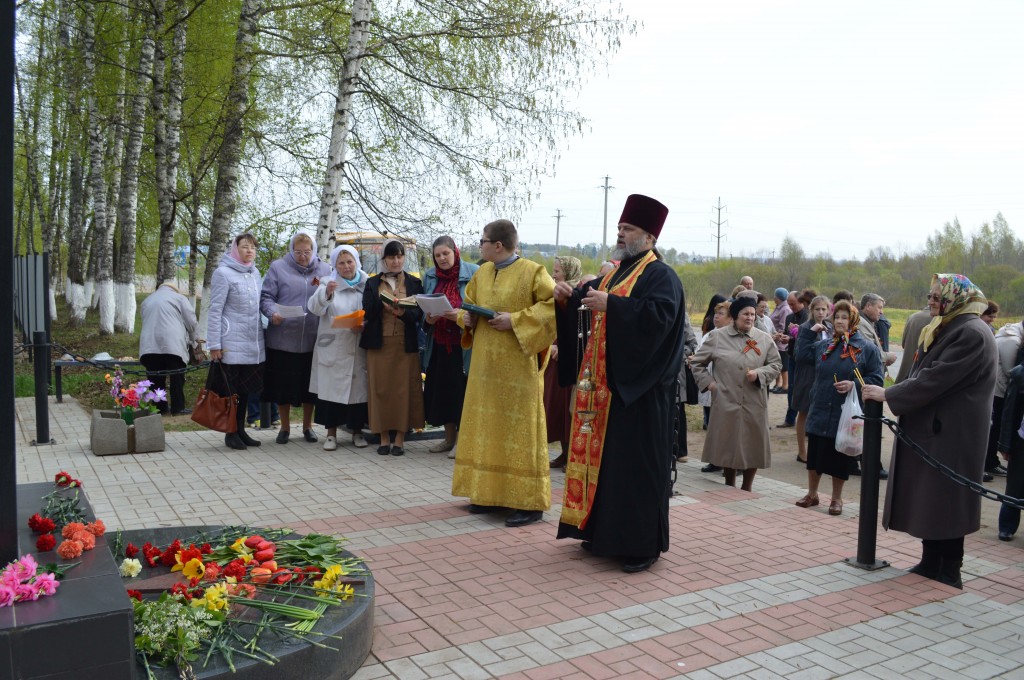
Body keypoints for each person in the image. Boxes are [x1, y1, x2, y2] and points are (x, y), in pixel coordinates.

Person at [553, 194, 685, 573]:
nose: (621, 235)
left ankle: (641, 546)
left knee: (638, 471)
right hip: (606, 393)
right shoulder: (616, 273)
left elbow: (659, 319)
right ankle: (602, 533)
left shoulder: (661, 275)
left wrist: (613, 306)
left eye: (628, 229)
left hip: (639, 394)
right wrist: (568, 299)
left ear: (650, 237)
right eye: (620, 229)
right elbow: (589, 300)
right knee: (608, 469)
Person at [863, 273, 997, 589]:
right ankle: (931, 561)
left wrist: (889, 394)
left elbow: (936, 378)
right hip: (937, 429)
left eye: (938, 297)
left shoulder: (971, 333)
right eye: (931, 295)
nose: (931, 301)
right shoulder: (949, 327)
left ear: (957, 299)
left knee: (948, 500)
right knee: (932, 499)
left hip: (953, 434)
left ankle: (950, 569)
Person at [453, 219, 556, 528]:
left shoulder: (534, 272)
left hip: (518, 370)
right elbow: (466, 306)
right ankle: (487, 493)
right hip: (484, 367)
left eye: (482, 241)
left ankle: (530, 503)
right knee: (486, 427)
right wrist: (466, 319)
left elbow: (553, 307)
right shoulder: (482, 272)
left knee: (520, 433)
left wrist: (515, 320)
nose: (479, 245)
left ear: (498, 245)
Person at [795, 301, 883, 516]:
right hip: (821, 406)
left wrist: (854, 384)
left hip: (845, 413)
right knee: (815, 455)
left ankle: (836, 499)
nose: (840, 321)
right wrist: (809, 332)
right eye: (837, 317)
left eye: (845, 317)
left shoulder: (866, 348)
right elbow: (801, 356)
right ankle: (812, 494)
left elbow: (877, 378)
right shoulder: (825, 346)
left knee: (839, 457)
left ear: (852, 321)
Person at [691, 296, 782, 493]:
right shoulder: (717, 337)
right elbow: (697, 363)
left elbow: (776, 365)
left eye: (752, 314)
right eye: (745, 314)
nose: (750, 318)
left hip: (754, 400)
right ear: (735, 316)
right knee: (728, 443)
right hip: (726, 400)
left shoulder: (764, 338)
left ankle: (747, 487)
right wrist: (710, 384)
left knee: (753, 444)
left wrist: (759, 374)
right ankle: (729, 485)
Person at [260, 232, 331, 444]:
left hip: (313, 338)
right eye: (298, 252)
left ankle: (308, 427)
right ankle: (284, 427)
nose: (302, 256)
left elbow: (332, 298)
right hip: (283, 338)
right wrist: (272, 313)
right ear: (292, 250)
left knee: (309, 387)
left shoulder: (325, 270)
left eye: (307, 252)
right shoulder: (278, 268)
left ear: (314, 251)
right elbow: (266, 297)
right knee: (283, 387)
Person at [360, 239, 425, 456]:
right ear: (384, 259)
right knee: (380, 390)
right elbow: (367, 311)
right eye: (391, 257)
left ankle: (400, 438)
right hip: (379, 344)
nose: (396, 261)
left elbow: (419, 314)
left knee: (403, 390)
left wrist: (403, 312)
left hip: (405, 345)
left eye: (399, 256)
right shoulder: (372, 283)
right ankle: (383, 437)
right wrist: (385, 302)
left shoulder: (415, 283)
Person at [307, 245, 370, 451]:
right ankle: (331, 434)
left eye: (349, 261)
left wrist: (364, 324)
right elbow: (314, 308)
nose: (346, 266)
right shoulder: (328, 282)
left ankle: (357, 432)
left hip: (357, 344)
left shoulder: (367, 282)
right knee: (332, 392)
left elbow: (373, 311)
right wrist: (326, 293)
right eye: (341, 263)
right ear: (335, 265)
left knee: (358, 393)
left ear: (356, 262)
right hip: (334, 346)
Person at [207, 233, 266, 450]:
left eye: (252, 247)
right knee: (230, 390)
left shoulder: (254, 273)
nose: (249, 251)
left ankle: (241, 429)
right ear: (235, 249)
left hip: (253, 342)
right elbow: (215, 310)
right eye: (244, 247)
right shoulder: (223, 273)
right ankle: (230, 432)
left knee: (245, 390)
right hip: (230, 342)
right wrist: (214, 344)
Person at [422, 235, 479, 455]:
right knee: (442, 393)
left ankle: (462, 443)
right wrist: (428, 319)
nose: (442, 259)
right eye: (437, 255)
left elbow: (479, 306)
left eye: (445, 253)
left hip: (463, 345)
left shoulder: (473, 272)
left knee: (461, 393)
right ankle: (448, 439)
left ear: (455, 252)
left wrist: (460, 314)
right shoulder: (430, 276)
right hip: (438, 343)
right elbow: (422, 308)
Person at [544, 256, 583, 469]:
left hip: (569, 361)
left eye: (558, 270)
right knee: (557, 410)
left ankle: (573, 456)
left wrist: (563, 346)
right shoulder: (556, 292)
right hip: (553, 358)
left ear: (569, 272)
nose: (554, 274)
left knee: (571, 410)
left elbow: (576, 328)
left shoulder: (578, 295)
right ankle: (564, 452)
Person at [139, 281, 200, 416]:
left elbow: (144, 319)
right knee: (177, 377)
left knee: (155, 378)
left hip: (150, 345)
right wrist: (195, 339)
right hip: (173, 344)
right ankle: (178, 408)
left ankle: (159, 408)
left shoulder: (147, 300)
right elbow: (191, 321)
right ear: (174, 290)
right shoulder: (179, 298)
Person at [791, 295, 831, 464]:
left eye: (824, 309)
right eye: (818, 309)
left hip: (824, 376)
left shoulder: (830, 327)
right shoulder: (805, 327)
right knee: (804, 412)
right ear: (811, 310)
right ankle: (802, 451)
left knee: (821, 413)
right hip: (807, 376)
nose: (821, 313)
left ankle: (820, 450)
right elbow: (798, 355)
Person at [985, 321, 1023, 479]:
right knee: (995, 429)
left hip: (1000, 388)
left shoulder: (1011, 334)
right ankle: (990, 462)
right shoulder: (1012, 340)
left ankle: (992, 461)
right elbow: (1010, 371)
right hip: (1000, 390)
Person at [996, 332, 1024, 541]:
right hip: (1021, 440)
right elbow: (1010, 412)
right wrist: (1005, 444)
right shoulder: (1020, 374)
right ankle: (1007, 526)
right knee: (1015, 485)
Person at [778, 289, 812, 427]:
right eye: (789, 304)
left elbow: (806, 337)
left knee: (805, 389)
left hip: (804, 359)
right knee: (791, 388)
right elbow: (790, 336)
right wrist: (785, 338)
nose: (791, 307)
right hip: (792, 356)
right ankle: (790, 418)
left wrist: (794, 335)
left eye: (793, 304)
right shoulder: (789, 318)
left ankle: (806, 420)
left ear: (802, 302)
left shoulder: (808, 317)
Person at [894, 306, 931, 384]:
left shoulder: (912, 317)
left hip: (905, 369)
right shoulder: (936, 319)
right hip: (920, 372)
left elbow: (903, 343)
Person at [769, 288, 791, 393]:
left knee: (784, 365)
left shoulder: (785, 309)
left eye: (775, 296)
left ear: (779, 297)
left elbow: (783, 326)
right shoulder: (778, 307)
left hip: (781, 342)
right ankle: (778, 384)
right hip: (775, 341)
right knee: (777, 364)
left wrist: (778, 335)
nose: (774, 298)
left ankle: (785, 386)